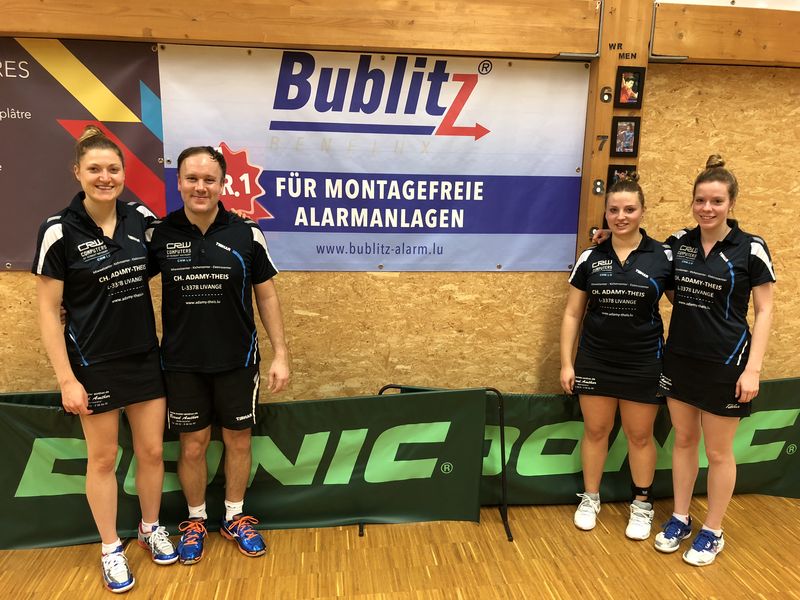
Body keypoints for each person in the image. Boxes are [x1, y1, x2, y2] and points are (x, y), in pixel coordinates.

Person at [32, 125, 177, 593]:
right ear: (77, 172)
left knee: (151, 452)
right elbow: (48, 312)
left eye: (113, 169)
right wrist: (66, 379)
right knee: (103, 459)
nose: (105, 177)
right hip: (92, 364)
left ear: (124, 173)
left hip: (144, 357)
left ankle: (150, 528)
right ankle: (111, 548)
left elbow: (182, 241)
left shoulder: (140, 218)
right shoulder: (58, 230)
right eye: (94, 169)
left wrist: (232, 220)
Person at [147, 146, 290, 565]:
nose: (200, 187)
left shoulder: (247, 233)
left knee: (237, 441)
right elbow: (121, 281)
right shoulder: (159, 235)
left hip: (238, 361)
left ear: (223, 184)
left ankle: (234, 516)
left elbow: (267, 296)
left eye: (209, 179)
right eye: (192, 178)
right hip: (182, 364)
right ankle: (195, 521)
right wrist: (71, 305)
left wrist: (281, 353)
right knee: (192, 446)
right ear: (178, 183)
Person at [654, 155, 775, 566]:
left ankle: (713, 530)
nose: (707, 208)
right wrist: (604, 239)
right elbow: (644, 259)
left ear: (731, 203)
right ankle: (680, 517)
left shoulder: (751, 248)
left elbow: (765, 310)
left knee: (719, 453)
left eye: (717, 201)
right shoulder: (678, 242)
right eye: (700, 200)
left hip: (727, 363)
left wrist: (753, 368)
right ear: (692, 201)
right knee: (684, 441)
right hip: (680, 359)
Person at [561, 173, 672, 540]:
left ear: (643, 211)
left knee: (640, 436)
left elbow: (686, 304)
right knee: (596, 431)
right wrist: (567, 363)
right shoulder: (591, 256)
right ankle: (590, 498)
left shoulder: (663, 256)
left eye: (629, 209)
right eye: (614, 210)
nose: (621, 216)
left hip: (644, 360)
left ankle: (641, 505)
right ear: (605, 214)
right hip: (595, 359)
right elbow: (573, 314)